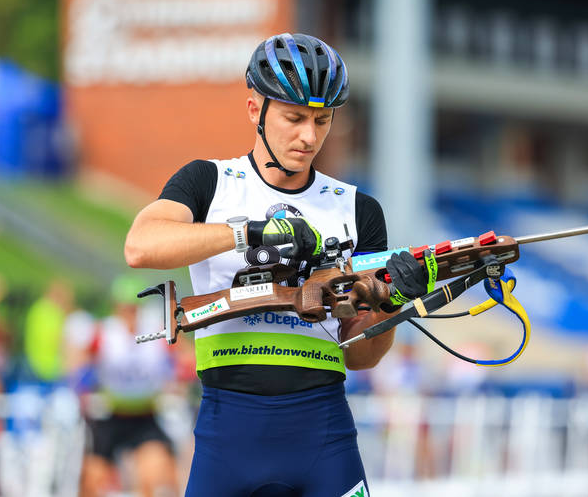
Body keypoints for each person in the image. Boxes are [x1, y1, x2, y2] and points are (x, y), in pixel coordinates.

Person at [125, 32, 433, 496]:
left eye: (322, 120)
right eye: (294, 118)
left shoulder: (357, 208)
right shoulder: (209, 181)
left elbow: (362, 355)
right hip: (227, 432)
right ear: (255, 110)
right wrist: (248, 233)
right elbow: (140, 246)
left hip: (324, 434)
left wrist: (393, 304)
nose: (309, 136)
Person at [81, 275, 177, 497]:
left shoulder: (155, 331)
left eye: (133, 308)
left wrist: (178, 378)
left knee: (154, 474)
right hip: (110, 416)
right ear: (116, 308)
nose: (129, 314)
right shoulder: (104, 332)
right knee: (93, 479)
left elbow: (182, 357)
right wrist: (83, 389)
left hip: (144, 416)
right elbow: (81, 364)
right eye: (124, 308)